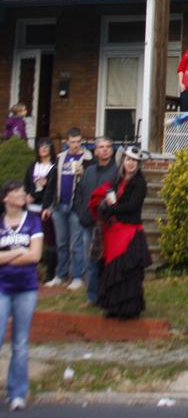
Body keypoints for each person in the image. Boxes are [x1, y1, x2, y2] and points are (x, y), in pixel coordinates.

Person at [91, 145, 152, 319]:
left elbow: (132, 206)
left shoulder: (140, 183)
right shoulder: (118, 181)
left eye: (134, 161)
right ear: (123, 161)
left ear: (138, 164)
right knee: (112, 269)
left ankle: (128, 309)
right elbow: (111, 199)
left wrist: (112, 210)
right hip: (115, 231)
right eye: (128, 160)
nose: (131, 163)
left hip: (130, 232)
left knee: (127, 271)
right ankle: (113, 307)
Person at [0, 180, 44, 411]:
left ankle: (17, 392)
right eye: (16, 191)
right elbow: (25, 253)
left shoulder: (33, 222)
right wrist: (18, 251)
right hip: (1, 287)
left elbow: (35, 256)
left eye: (22, 191)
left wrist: (5, 255)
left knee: (20, 342)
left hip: (26, 287)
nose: (21, 194)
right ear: (6, 198)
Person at [41, 127, 92, 290]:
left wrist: (83, 172)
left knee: (75, 244)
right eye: (72, 142)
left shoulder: (88, 158)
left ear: (81, 141)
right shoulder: (60, 158)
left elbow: (91, 182)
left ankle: (77, 277)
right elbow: (51, 184)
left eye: (78, 142)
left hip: (75, 207)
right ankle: (60, 275)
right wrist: (47, 206)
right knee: (61, 243)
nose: (75, 145)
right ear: (67, 142)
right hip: (58, 206)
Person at [75, 137, 119, 305]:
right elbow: (79, 193)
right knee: (91, 261)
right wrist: (80, 212)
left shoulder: (116, 171)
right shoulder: (89, 171)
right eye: (101, 147)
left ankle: (106, 295)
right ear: (95, 151)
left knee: (105, 261)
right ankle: (92, 297)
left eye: (108, 147)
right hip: (88, 222)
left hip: (106, 224)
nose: (105, 150)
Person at [24, 138, 57, 282]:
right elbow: (26, 184)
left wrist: (36, 195)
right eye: (40, 147)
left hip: (45, 209)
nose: (43, 149)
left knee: (49, 240)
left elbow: (51, 189)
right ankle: (30, 271)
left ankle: (50, 273)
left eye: (46, 146)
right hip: (30, 209)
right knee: (29, 239)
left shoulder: (54, 167)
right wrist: (27, 196)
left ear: (51, 148)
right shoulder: (33, 166)